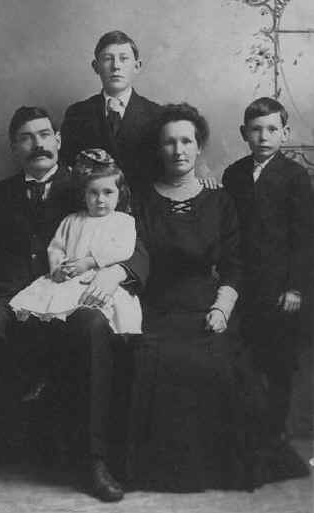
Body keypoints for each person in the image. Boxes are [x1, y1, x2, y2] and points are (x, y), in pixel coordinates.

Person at [0, 107, 148, 502]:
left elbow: (134, 242)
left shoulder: (88, 185)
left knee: (90, 326)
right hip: (12, 293)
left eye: (44, 134)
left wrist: (118, 273)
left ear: (59, 141)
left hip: (75, 292)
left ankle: (94, 460)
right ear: (14, 148)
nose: (38, 144)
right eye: (26, 137)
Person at [124, 102, 308, 492]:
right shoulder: (140, 200)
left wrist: (222, 308)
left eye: (186, 141)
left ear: (198, 147)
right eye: (169, 142)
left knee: (219, 361)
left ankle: (216, 466)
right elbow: (132, 258)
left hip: (209, 305)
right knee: (155, 359)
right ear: (159, 149)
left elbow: (234, 265)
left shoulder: (219, 199)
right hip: (155, 304)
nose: (178, 150)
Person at [222, 98, 312, 452]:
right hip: (245, 283)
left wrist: (295, 287)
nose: (263, 136)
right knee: (246, 356)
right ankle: (249, 431)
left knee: (279, 359)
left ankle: (277, 432)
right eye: (256, 129)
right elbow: (228, 228)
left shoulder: (294, 176)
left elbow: (305, 237)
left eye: (272, 129)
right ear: (244, 133)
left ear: (285, 133)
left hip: (280, 286)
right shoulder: (234, 174)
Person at [10, 148, 142, 334]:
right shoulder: (72, 220)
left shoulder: (123, 221)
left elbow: (123, 249)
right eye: (93, 193)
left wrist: (89, 261)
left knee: (94, 316)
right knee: (47, 313)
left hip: (97, 281)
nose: (100, 199)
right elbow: (56, 248)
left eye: (108, 192)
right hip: (69, 278)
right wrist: (58, 269)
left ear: (119, 194)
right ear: (84, 194)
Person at [60, 30, 161, 191]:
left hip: (144, 209)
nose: (116, 66)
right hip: (93, 208)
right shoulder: (77, 114)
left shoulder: (156, 115)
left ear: (137, 66)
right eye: (108, 59)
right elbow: (66, 166)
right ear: (96, 66)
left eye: (124, 58)